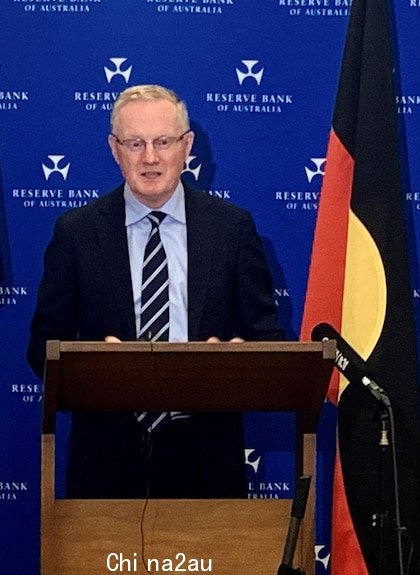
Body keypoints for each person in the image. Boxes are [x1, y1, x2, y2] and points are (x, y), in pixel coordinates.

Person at [27, 84, 284, 499]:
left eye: (163, 142)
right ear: (114, 149)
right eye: (135, 143)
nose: (150, 158)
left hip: (206, 457)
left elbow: (267, 336)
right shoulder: (77, 233)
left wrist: (237, 360)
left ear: (187, 146)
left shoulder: (231, 229)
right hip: (107, 460)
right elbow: (41, 346)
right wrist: (93, 367)